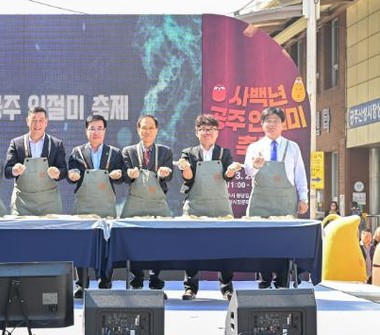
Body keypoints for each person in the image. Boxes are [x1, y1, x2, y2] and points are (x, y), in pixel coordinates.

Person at [177, 114, 242, 300]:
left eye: (211, 129)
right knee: (191, 247)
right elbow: (188, 178)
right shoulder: (189, 153)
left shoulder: (224, 153)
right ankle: (190, 287)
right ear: (196, 132)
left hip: (220, 206)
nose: (207, 133)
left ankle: (227, 287)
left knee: (225, 247)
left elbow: (228, 176)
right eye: (203, 129)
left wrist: (231, 169)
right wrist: (185, 167)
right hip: (195, 205)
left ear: (217, 133)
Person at [245, 106, 309, 289]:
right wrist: (255, 166)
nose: (271, 125)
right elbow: (248, 172)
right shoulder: (255, 147)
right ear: (262, 125)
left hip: (285, 200)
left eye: (275, 121)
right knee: (261, 240)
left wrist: (303, 198)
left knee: (284, 240)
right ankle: (264, 278)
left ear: (283, 124)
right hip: (261, 200)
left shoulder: (292, 147)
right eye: (268, 121)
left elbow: (299, 174)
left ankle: (282, 279)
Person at [67, 115, 125, 297]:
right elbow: (71, 174)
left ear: (105, 131)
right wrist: (72, 175)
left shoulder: (114, 152)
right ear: (86, 131)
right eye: (92, 128)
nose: (96, 132)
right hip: (83, 204)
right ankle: (81, 284)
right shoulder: (77, 152)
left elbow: (123, 176)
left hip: (106, 204)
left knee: (106, 245)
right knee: (81, 245)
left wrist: (119, 174)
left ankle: (105, 281)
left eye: (100, 128)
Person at [121, 114, 173, 291]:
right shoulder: (128, 151)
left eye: (151, 128)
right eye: (144, 127)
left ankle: (155, 278)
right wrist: (130, 174)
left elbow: (170, 176)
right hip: (135, 201)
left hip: (157, 201)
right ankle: (137, 277)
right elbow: (124, 177)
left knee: (160, 240)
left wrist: (165, 173)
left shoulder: (165, 151)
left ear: (157, 130)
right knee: (133, 239)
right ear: (138, 130)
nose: (147, 131)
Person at [4, 106, 67, 215]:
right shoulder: (17, 143)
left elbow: (64, 170)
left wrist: (57, 173)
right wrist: (15, 170)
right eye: (34, 120)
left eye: (41, 120)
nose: (37, 124)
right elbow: (7, 171)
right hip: (22, 203)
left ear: (46, 122)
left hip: (49, 203)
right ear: (27, 121)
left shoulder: (56, 144)